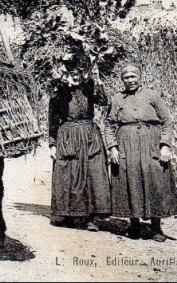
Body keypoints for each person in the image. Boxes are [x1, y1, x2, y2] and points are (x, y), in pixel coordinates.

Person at [105, 64, 177, 242]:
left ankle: (156, 227)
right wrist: (112, 147)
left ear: (140, 77)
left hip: (151, 143)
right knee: (130, 179)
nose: (130, 80)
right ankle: (134, 224)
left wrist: (165, 145)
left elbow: (167, 121)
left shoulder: (152, 96)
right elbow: (108, 125)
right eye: (126, 78)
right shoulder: (117, 99)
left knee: (155, 180)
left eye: (133, 76)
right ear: (122, 80)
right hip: (126, 144)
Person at [48, 65, 112, 231]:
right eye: (71, 73)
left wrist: (97, 79)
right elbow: (52, 119)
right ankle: (69, 214)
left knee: (94, 172)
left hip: (89, 134)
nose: (74, 77)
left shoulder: (90, 88)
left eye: (77, 73)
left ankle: (93, 217)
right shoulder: (59, 91)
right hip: (67, 135)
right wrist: (52, 143)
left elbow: (104, 102)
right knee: (69, 173)